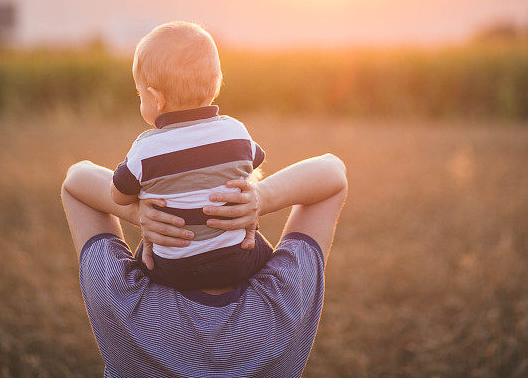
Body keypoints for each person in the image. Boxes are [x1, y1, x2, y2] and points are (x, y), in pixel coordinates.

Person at [61, 151, 347, 378]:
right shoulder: (282, 301)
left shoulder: (124, 302)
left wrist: (144, 213)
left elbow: (76, 180)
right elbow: (332, 173)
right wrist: (260, 197)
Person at [110, 20, 272, 290]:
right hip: (236, 262)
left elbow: (118, 195)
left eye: (140, 95)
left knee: (144, 255)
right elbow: (255, 159)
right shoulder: (236, 132)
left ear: (156, 98)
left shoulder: (145, 148)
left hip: (171, 268)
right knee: (267, 253)